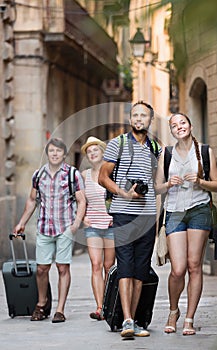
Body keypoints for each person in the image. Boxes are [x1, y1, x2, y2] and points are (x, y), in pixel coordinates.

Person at [98, 101, 162, 338]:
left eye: (143, 115)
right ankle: (126, 320)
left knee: (140, 271)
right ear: (130, 119)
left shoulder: (156, 147)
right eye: (135, 115)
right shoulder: (118, 143)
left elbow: (156, 183)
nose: (138, 118)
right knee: (125, 266)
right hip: (123, 213)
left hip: (146, 217)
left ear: (150, 120)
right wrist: (124, 193)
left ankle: (133, 320)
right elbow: (102, 177)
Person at [155, 112, 217, 336]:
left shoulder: (204, 151)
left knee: (194, 266)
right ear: (172, 131)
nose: (179, 127)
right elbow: (157, 187)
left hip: (199, 210)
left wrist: (201, 181)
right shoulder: (166, 154)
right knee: (178, 269)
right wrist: (167, 184)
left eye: (182, 123)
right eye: (174, 125)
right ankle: (173, 311)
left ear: (190, 125)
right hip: (174, 212)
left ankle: (189, 319)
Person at [13, 137, 86, 323]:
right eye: (52, 151)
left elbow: (81, 200)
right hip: (44, 227)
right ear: (47, 153)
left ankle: (60, 309)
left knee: (62, 267)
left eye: (58, 151)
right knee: (41, 269)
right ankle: (42, 303)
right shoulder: (38, 175)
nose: (55, 154)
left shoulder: (72, 174)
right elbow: (32, 200)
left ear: (64, 154)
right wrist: (21, 222)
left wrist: (76, 223)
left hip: (65, 227)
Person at [81, 136, 115, 321]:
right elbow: (80, 199)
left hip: (110, 225)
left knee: (109, 267)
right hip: (92, 225)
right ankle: (100, 307)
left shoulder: (111, 172)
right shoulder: (84, 175)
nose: (92, 153)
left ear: (102, 152)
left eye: (96, 150)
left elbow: (119, 197)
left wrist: (115, 217)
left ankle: (110, 304)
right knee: (96, 265)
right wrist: (83, 215)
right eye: (89, 151)